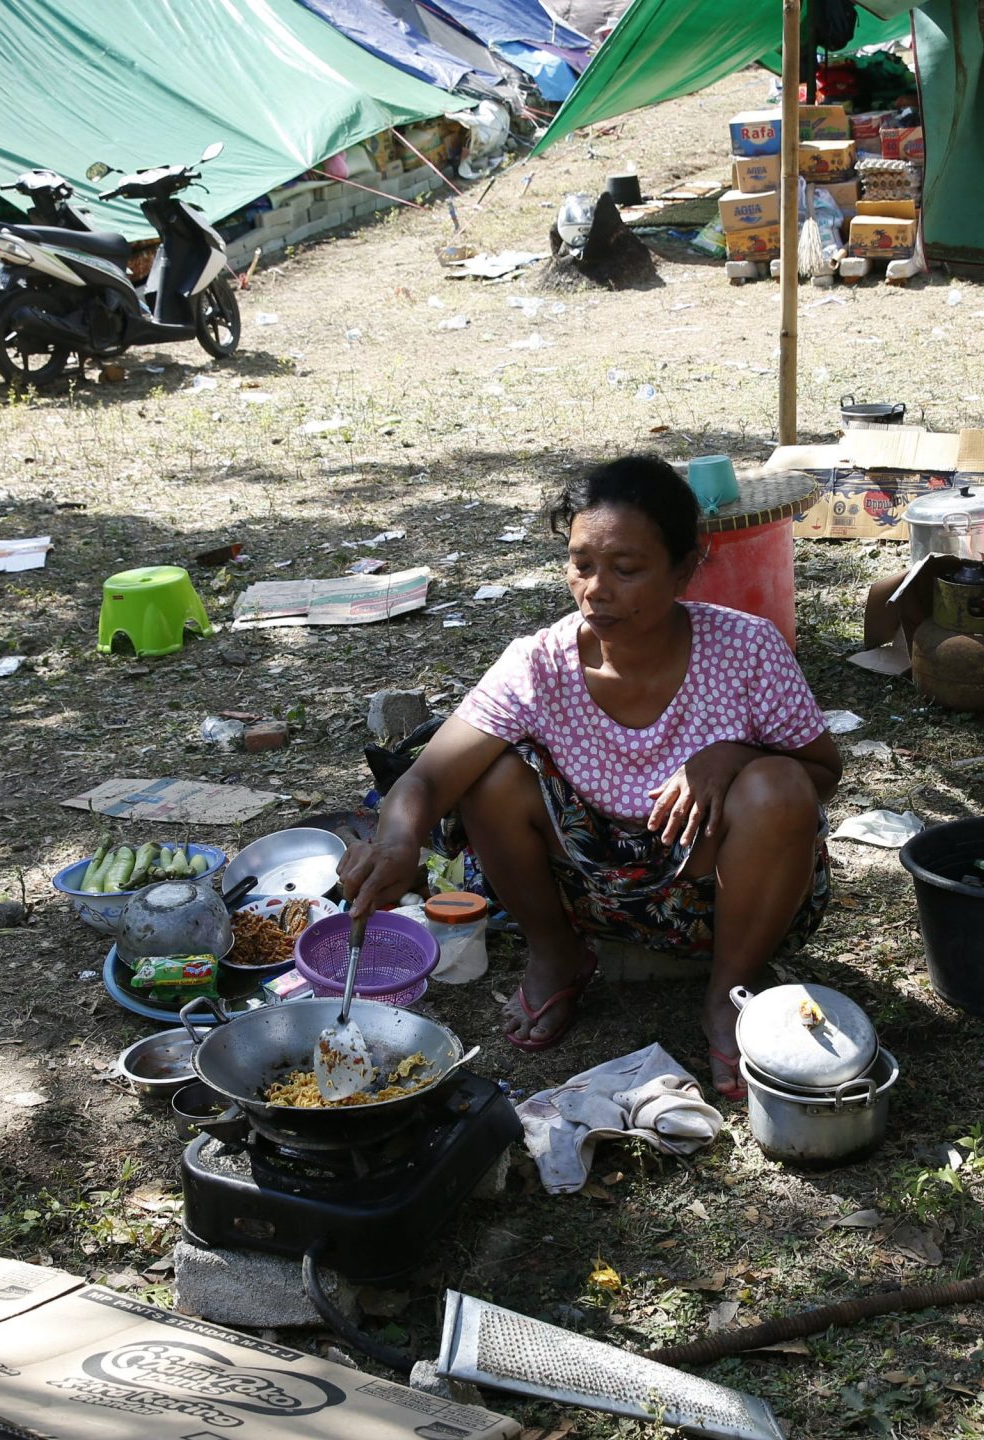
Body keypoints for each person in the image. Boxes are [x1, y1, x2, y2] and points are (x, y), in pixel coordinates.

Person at [339, 456, 840, 1097]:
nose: (596, 589)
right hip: (593, 890)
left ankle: (728, 990)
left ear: (684, 568)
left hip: (719, 889)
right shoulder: (538, 664)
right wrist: (397, 841)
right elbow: (425, 779)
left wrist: (733, 756)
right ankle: (559, 955)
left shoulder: (745, 649)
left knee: (779, 785)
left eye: (626, 570)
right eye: (581, 564)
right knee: (490, 777)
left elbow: (821, 774)